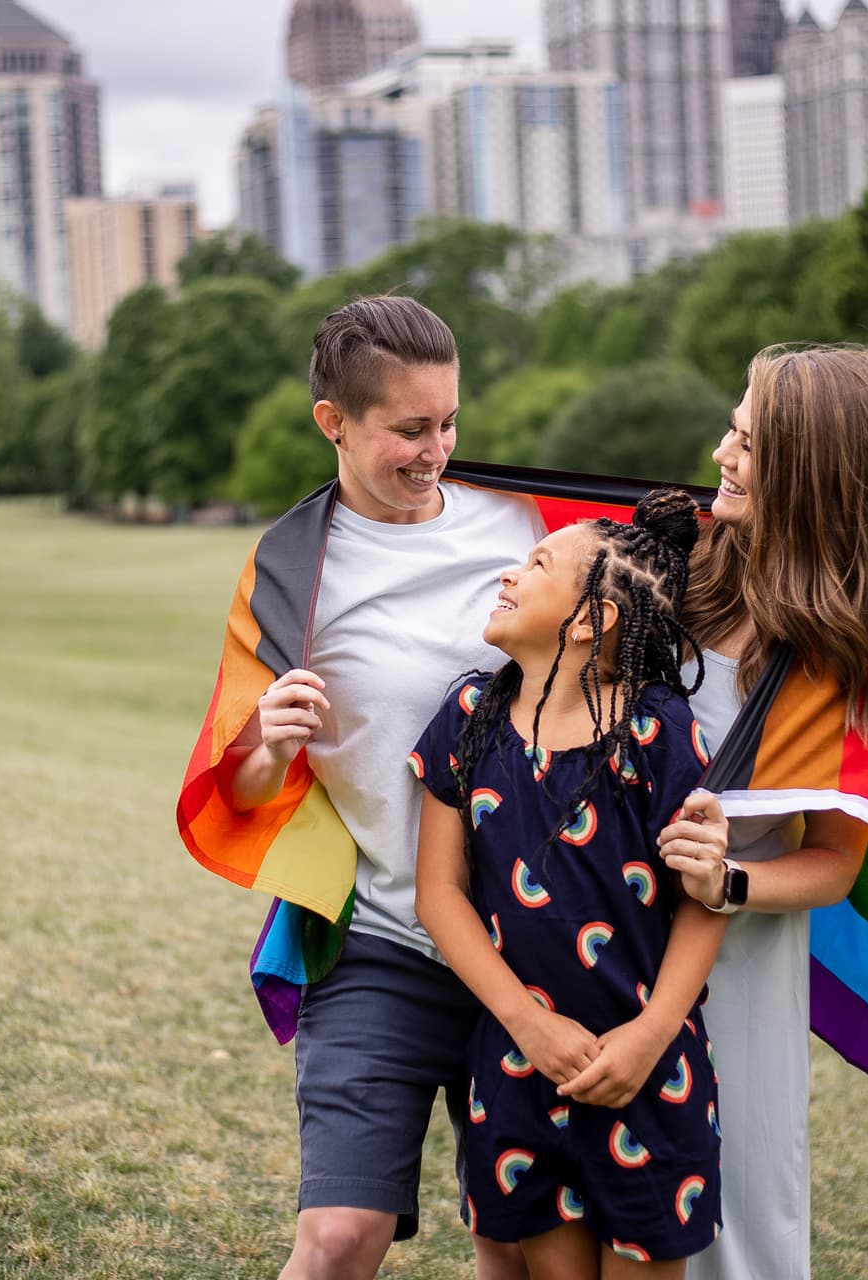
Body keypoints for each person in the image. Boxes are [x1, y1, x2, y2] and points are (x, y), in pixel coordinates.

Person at [214, 296, 544, 1280]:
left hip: (530, 944)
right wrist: (269, 743)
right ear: (335, 423)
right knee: (337, 1235)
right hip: (381, 946)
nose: (436, 448)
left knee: (518, 1245)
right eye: (408, 428)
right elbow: (234, 779)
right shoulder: (290, 567)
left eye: (447, 421)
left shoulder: (522, 524)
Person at [655, 344, 868, 1280]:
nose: (718, 453)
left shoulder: (853, 654)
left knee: (731, 1225)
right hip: (612, 940)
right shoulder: (684, 560)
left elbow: (836, 859)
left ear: (808, 467)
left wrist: (730, 879)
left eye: (744, 442)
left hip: (739, 973)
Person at [413, 490, 731, 1279]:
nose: (512, 573)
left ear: (590, 621)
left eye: (538, 563)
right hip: (519, 1070)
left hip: (648, 1075)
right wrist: (527, 1025)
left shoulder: (659, 732)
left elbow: (703, 900)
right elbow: (438, 895)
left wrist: (651, 1035)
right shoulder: (468, 717)